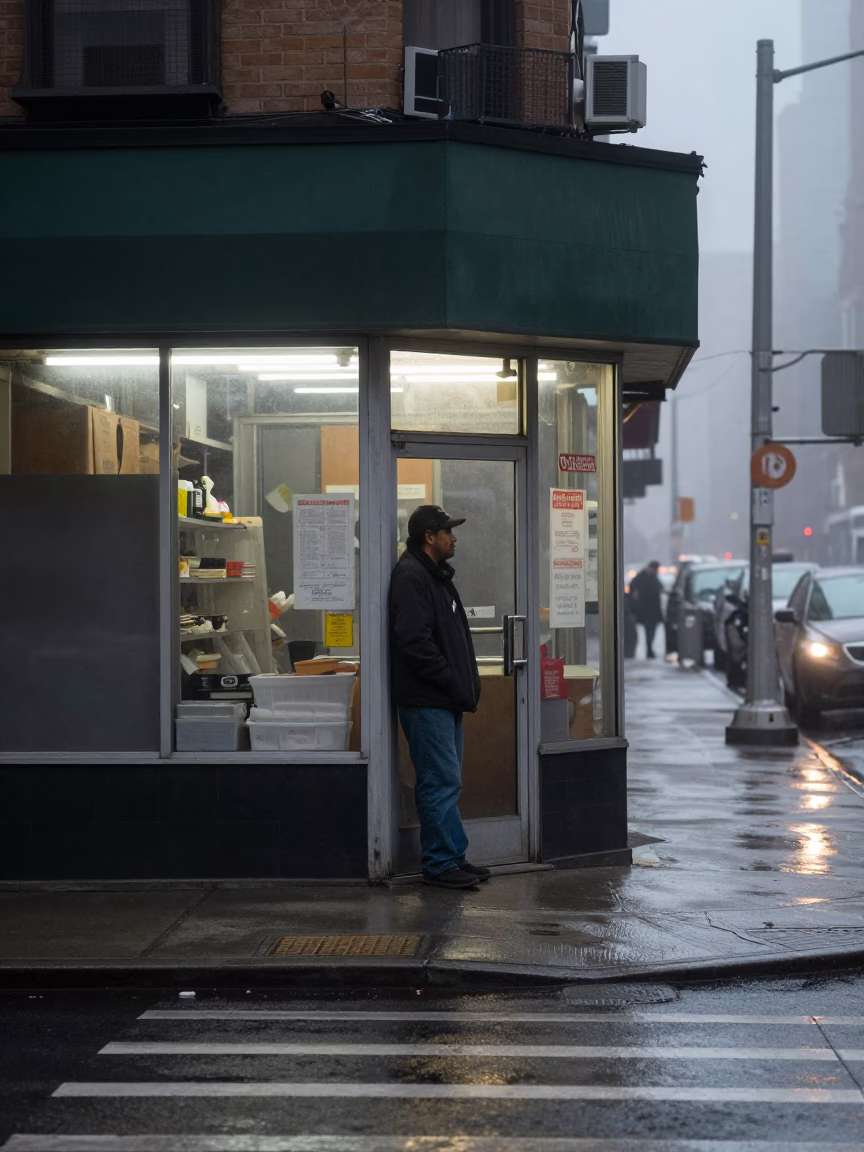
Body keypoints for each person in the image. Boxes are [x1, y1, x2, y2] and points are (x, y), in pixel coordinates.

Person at [388, 505, 488, 890]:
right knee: (439, 780)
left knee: (448, 779)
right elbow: (415, 644)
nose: (454, 537)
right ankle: (441, 863)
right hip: (427, 699)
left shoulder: (432, 575)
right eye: (448, 531)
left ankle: (453, 856)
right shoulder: (412, 577)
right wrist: (449, 680)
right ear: (429, 536)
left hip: (441, 698)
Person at [630, 560, 664, 659]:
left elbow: (659, 587)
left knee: (651, 630)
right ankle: (649, 650)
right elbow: (632, 588)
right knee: (648, 630)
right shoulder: (642, 577)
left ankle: (649, 649)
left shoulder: (653, 577)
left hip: (653, 608)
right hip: (645, 607)